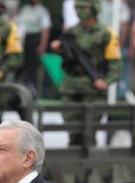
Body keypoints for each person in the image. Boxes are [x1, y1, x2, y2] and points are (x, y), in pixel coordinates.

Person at [51, 0, 122, 146]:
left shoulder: (105, 34)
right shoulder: (71, 32)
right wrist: (59, 50)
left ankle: (90, 168)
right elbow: (67, 57)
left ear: (94, 9)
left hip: (92, 89)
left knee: (89, 133)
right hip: (71, 87)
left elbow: (116, 65)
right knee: (73, 132)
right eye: (77, 8)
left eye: (83, 7)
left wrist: (106, 81)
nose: (79, 11)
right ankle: (73, 167)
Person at [15, 0, 52, 92]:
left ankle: (33, 91)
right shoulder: (24, 9)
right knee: (21, 66)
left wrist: (42, 46)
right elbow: (19, 25)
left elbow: (45, 30)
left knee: (33, 68)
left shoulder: (43, 11)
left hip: (35, 40)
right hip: (23, 40)